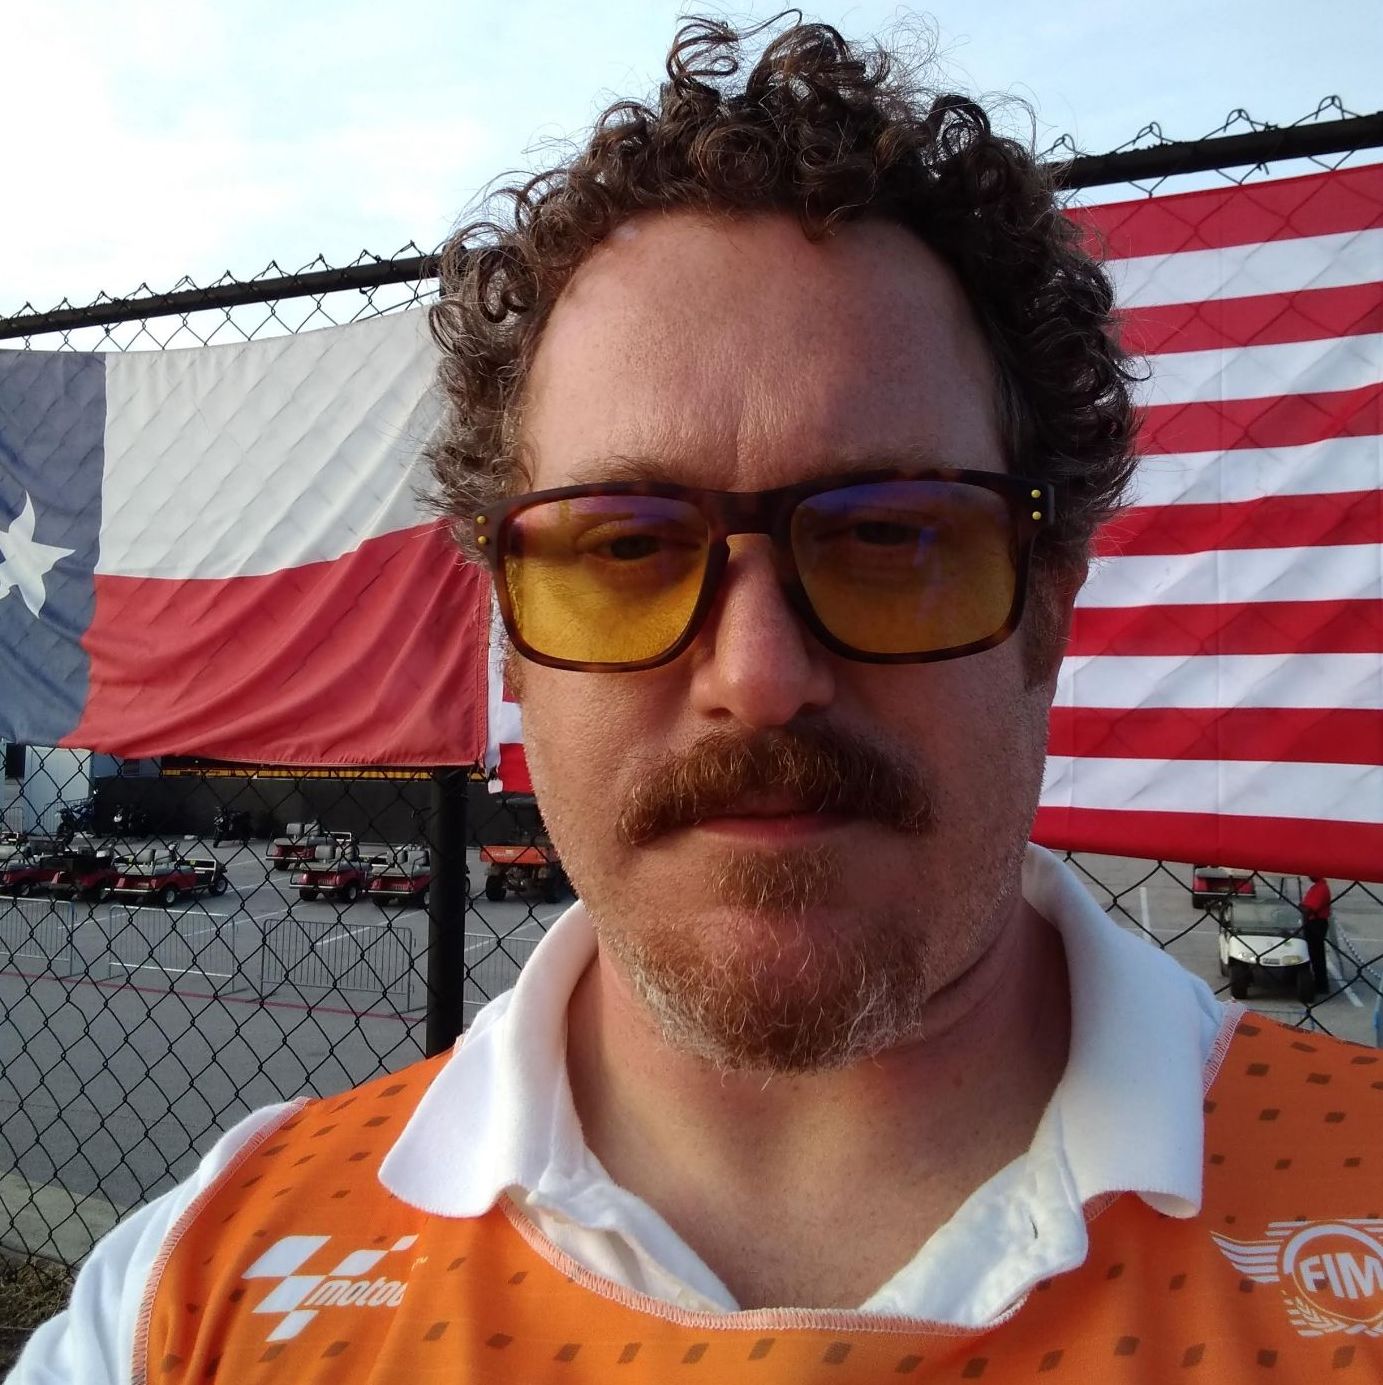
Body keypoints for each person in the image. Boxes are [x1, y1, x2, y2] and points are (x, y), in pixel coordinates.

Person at [16, 16, 1382, 1384]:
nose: (759, 676)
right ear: (508, 637)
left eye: (889, 532)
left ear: (1049, 602)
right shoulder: (195, 1294)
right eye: (624, 547)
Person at [1300, 875, 1333, 996]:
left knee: (1316, 955)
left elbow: (1309, 909)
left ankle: (1321, 984)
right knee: (1315, 954)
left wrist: (1302, 910)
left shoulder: (1321, 888)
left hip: (1316, 923)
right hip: (1314, 922)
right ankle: (1319, 982)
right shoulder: (1317, 887)